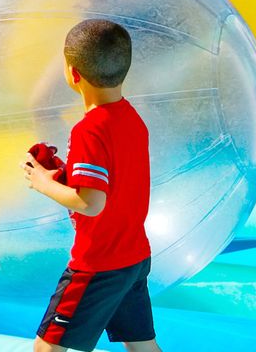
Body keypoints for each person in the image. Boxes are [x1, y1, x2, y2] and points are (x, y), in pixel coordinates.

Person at [20, 19, 157, 352]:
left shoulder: (89, 130)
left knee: (47, 348)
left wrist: (41, 182)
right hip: (133, 257)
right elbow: (112, 184)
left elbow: (92, 203)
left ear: (73, 74)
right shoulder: (130, 118)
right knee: (142, 346)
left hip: (98, 264)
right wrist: (65, 176)